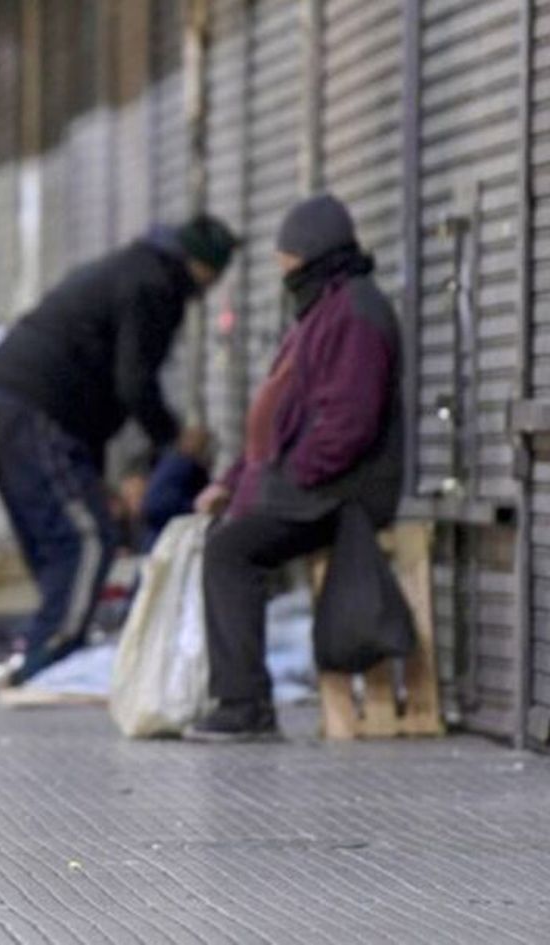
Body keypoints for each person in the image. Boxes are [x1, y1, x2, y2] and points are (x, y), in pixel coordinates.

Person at [0, 215, 238, 687]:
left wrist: (100, 478)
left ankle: (44, 649)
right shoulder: (155, 285)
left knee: (54, 540)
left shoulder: (133, 269)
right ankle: (48, 659)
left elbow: (103, 387)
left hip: (3, 401)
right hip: (33, 408)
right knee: (87, 540)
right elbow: (133, 382)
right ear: (204, 265)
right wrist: (173, 440)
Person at [186, 195, 403, 742]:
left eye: (287, 257)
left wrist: (289, 480)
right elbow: (278, 422)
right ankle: (238, 698)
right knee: (224, 535)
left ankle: (244, 706)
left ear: (310, 255)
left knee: (231, 550)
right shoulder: (321, 310)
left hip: (342, 489)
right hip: (311, 483)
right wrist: (234, 482)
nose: (282, 268)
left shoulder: (353, 313)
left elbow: (348, 424)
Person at [140, 426, 216, 551]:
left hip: (159, 538)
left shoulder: (169, 463)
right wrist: (195, 506)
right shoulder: (183, 466)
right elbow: (157, 505)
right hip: (168, 539)